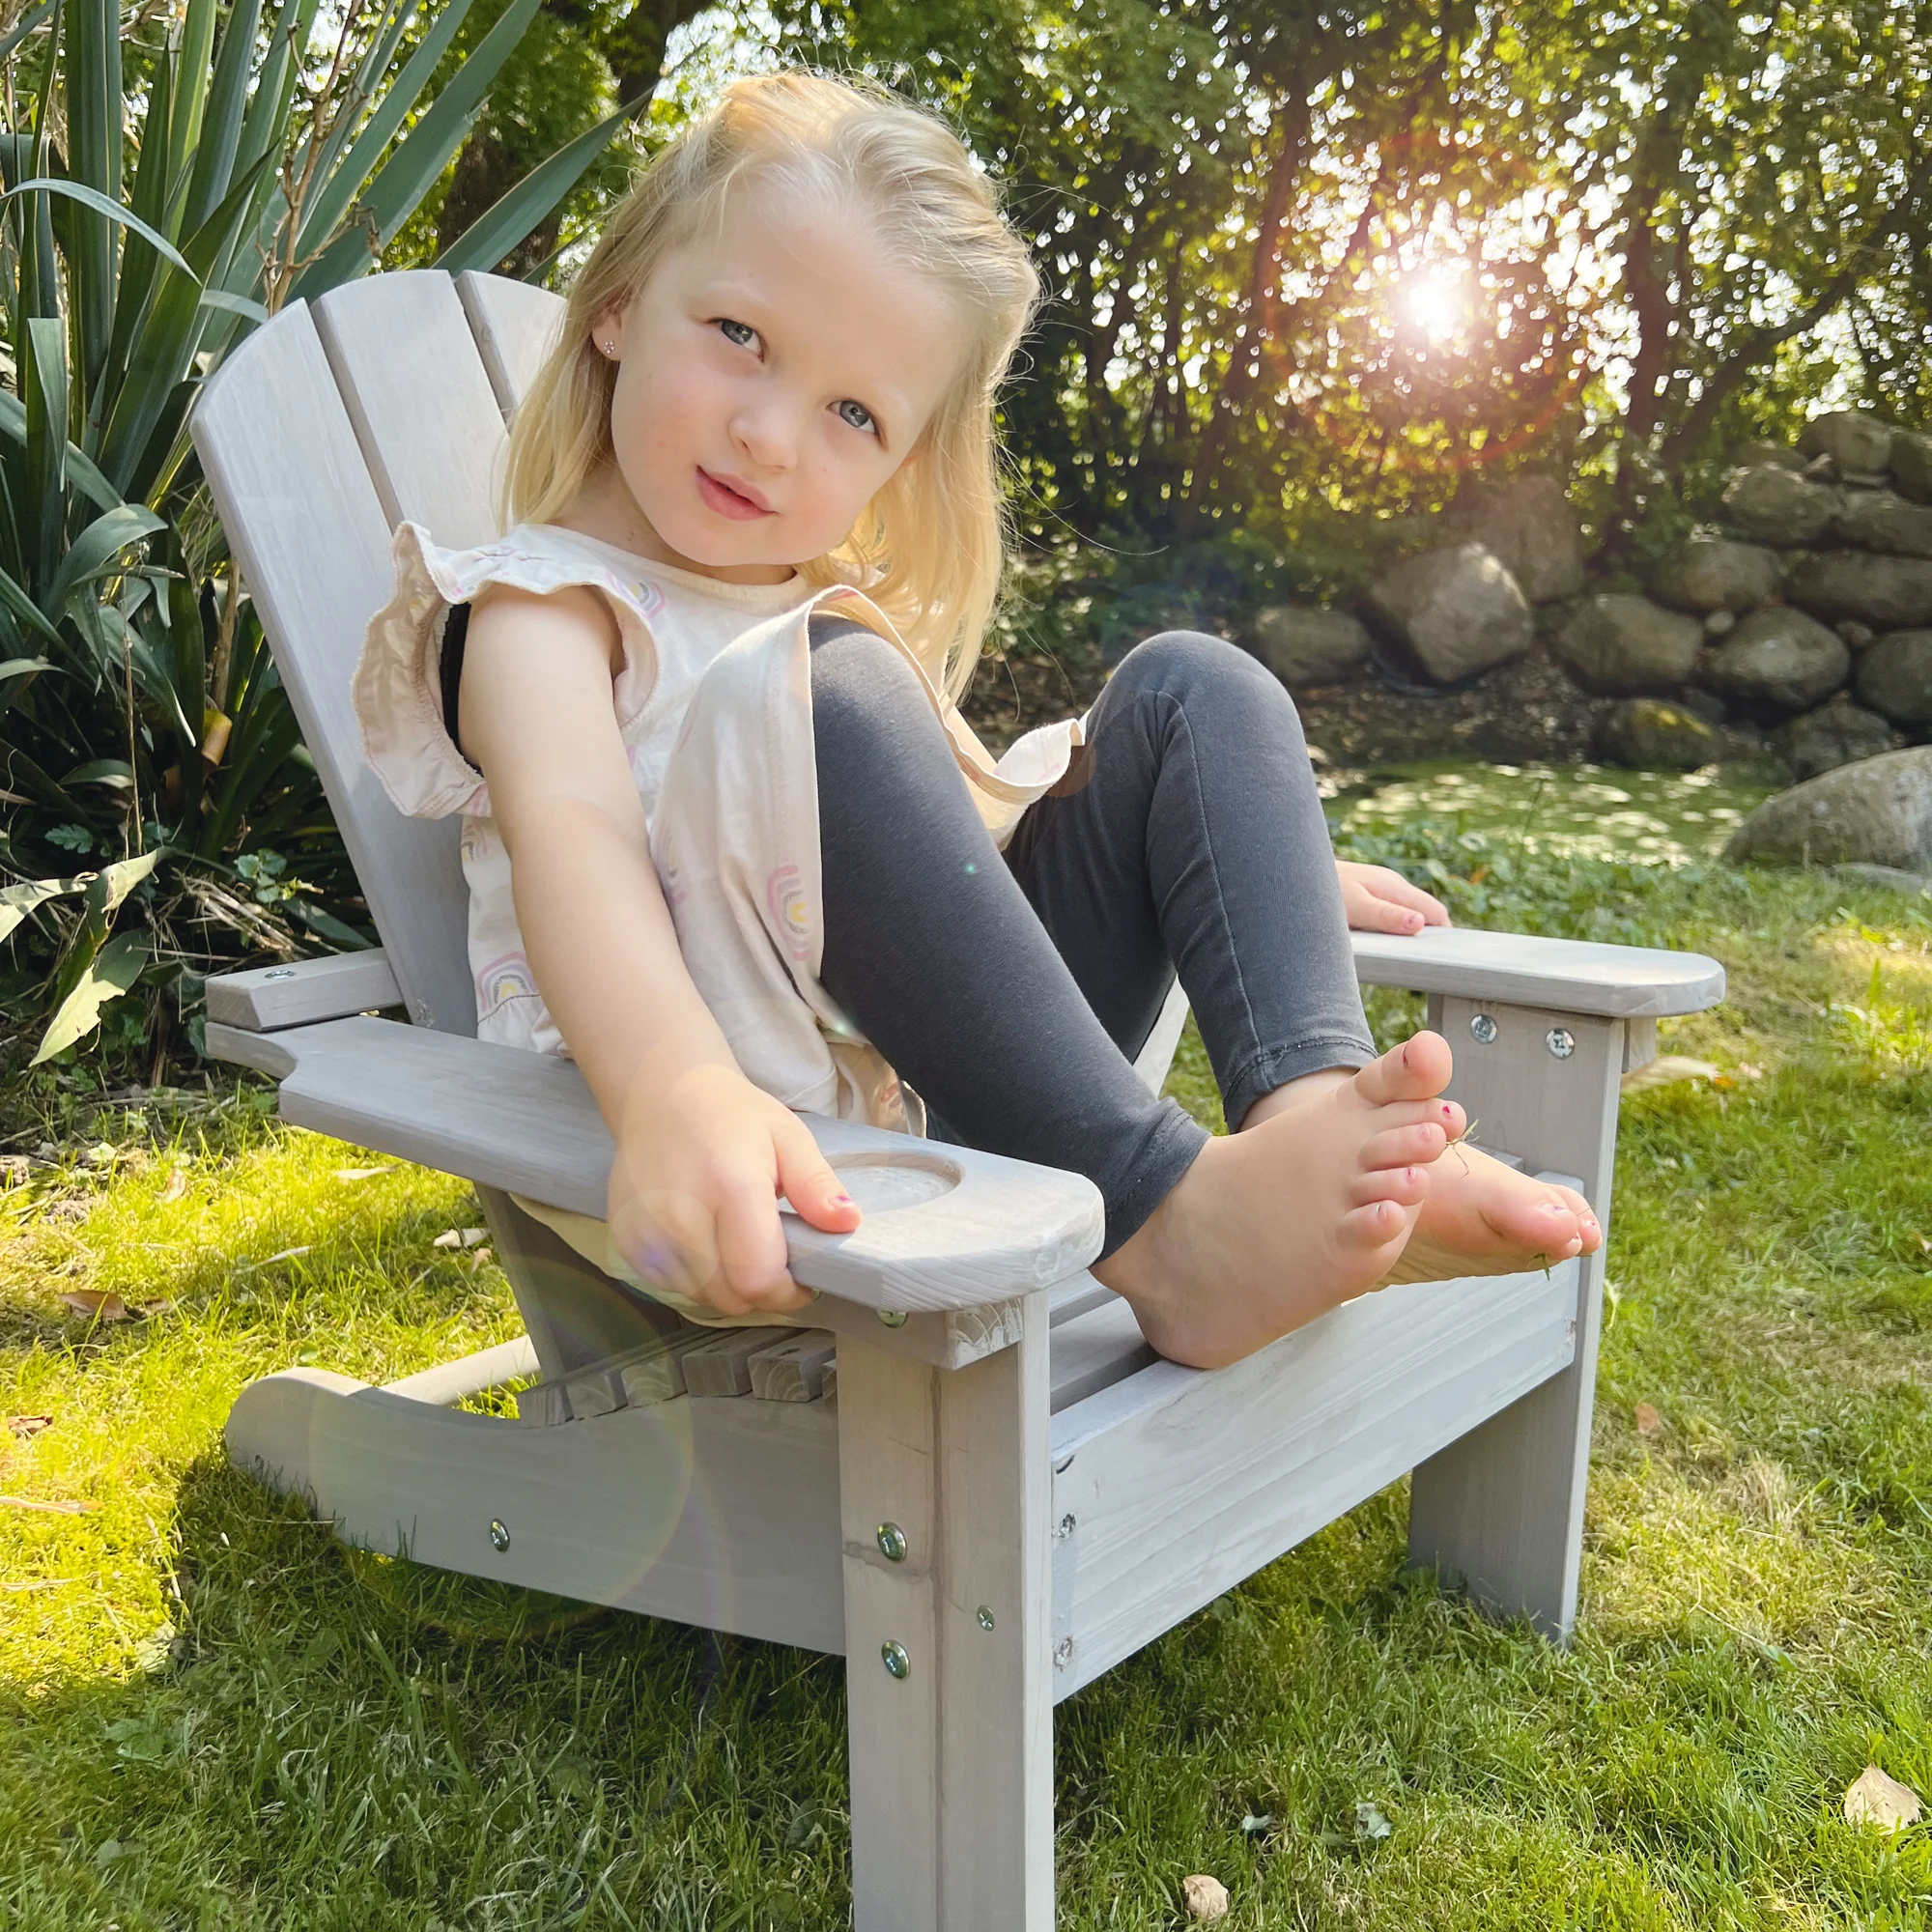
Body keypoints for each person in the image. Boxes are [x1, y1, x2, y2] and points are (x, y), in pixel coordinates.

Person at [353, 71, 1600, 1372]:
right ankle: (1173, 1227)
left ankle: (1315, 1124)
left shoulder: (805, 614)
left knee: (1195, 690)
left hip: (946, 1111)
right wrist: (673, 1089)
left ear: (897, 463)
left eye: (852, 414)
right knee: (828, 684)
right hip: (737, 1164)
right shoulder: (544, 612)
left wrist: (1221, 862)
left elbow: (941, 885)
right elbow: (578, 845)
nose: (771, 435)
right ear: (617, 303)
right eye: (739, 333)